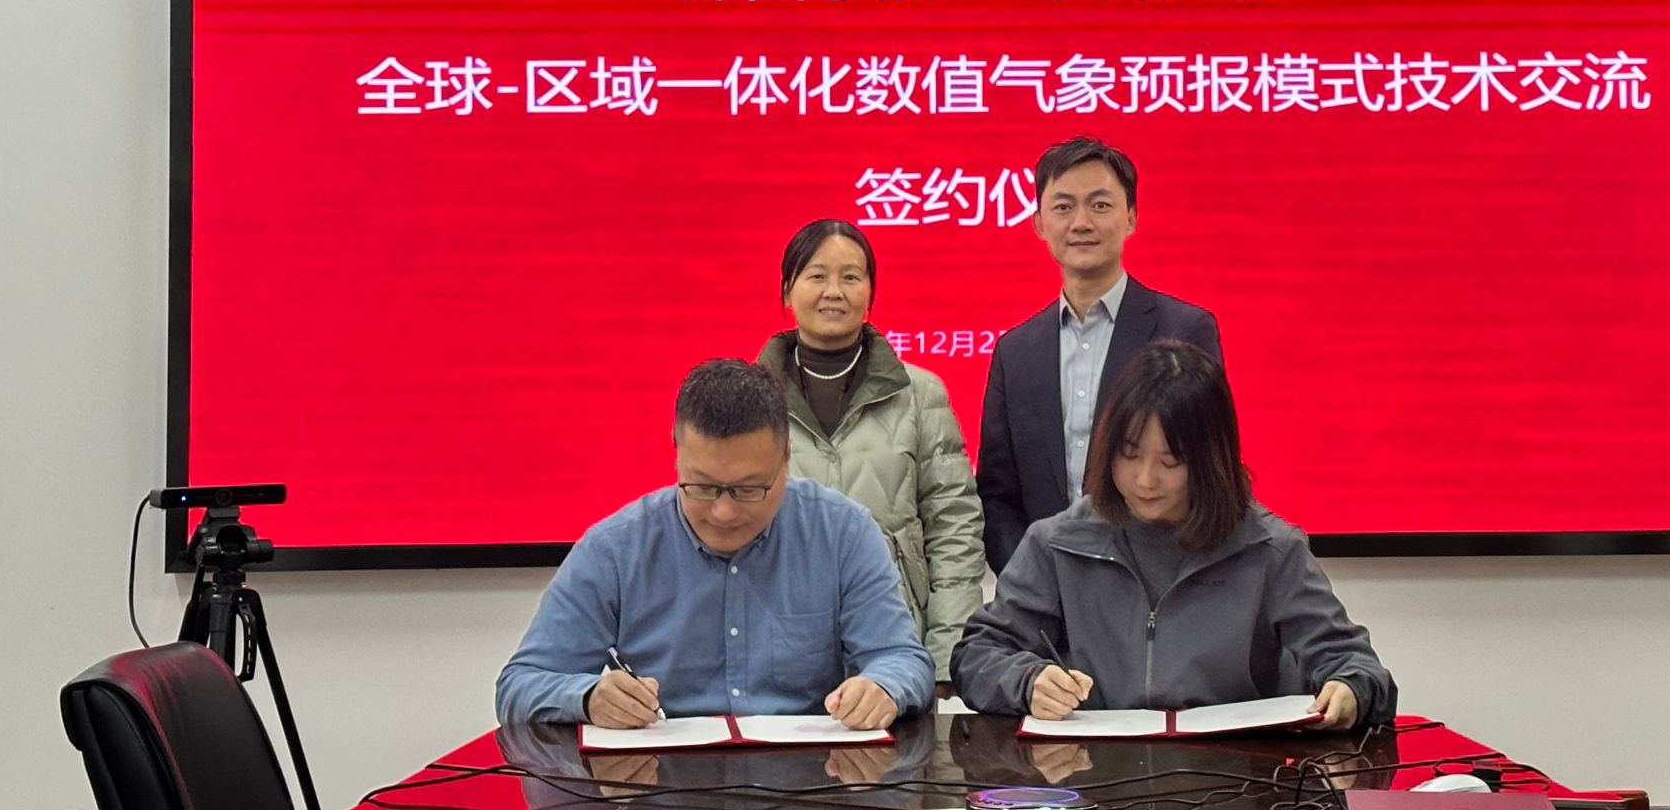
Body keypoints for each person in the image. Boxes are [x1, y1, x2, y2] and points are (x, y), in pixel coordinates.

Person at [953, 340, 1394, 729]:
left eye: (1171, 462)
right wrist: (1027, 681)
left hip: (1236, 776)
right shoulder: (1057, 543)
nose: (1145, 480)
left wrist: (1350, 690)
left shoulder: (1271, 550)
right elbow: (977, 656)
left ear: (1210, 459)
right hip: (1093, 776)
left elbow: (1356, 666)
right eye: (1129, 455)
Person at [495, 358, 934, 728]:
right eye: (702, 487)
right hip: (663, 782)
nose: (723, 513)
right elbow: (520, 683)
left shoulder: (843, 533)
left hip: (810, 778)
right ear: (676, 452)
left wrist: (881, 687)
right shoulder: (616, 548)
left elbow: (903, 659)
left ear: (785, 460)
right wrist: (588, 697)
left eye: (748, 489)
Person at [754, 218, 985, 683]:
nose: (833, 291)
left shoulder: (919, 394)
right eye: (817, 276)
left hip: (895, 643)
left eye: (850, 277)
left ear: (870, 292)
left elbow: (954, 526)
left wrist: (947, 657)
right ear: (787, 291)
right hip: (777, 643)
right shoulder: (750, 398)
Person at [977, 137, 1223, 570]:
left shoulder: (1185, 330)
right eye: (1063, 207)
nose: (1081, 223)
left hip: (1159, 581)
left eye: (1100, 205)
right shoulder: (1015, 351)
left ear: (1131, 217)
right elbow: (998, 495)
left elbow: (1209, 469)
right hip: (1046, 590)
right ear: (1039, 223)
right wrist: (1030, 579)